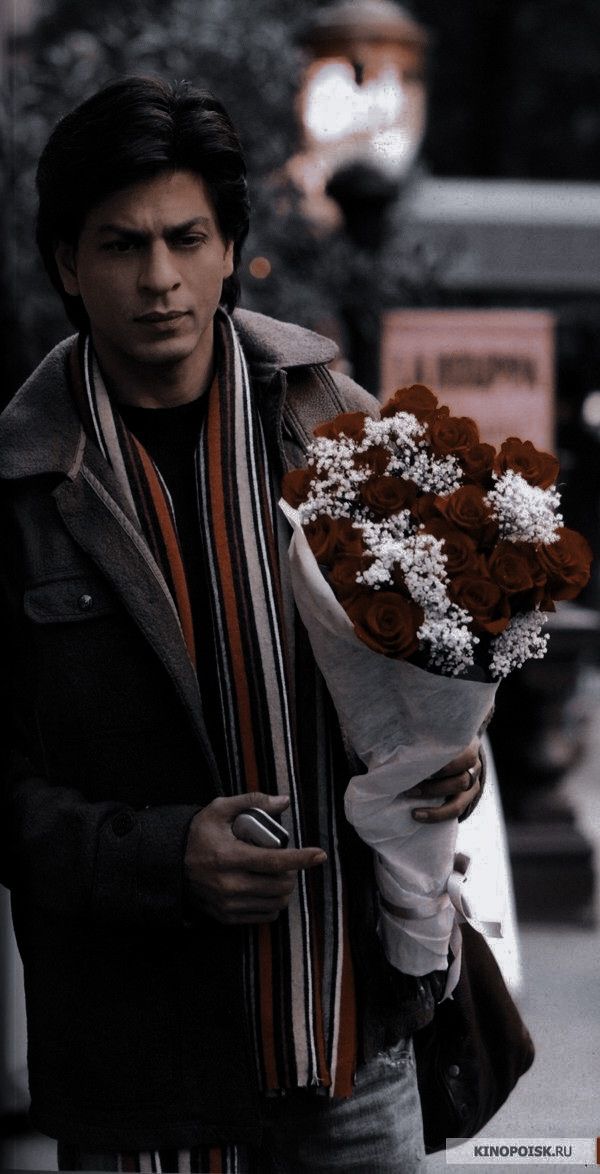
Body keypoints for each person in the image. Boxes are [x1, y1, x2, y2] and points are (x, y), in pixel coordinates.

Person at [0, 77, 483, 1173]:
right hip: (138, 1082)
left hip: (355, 1049)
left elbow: (426, 677)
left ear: (231, 249)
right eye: (121, 246)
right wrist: (164, 857)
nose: (159, 279)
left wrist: (454, 762)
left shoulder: (341, 427)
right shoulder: (19, 490)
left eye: (186, 238)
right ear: (68, 265)